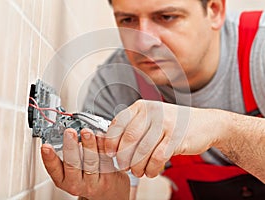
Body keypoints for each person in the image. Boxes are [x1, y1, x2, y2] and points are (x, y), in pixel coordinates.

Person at [41, 0, 265, 199]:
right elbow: (118, 191)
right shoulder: (116, 85)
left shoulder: (260, 48)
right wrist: (108, 195)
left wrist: (221, 128)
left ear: (215, 10)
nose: (143, 42)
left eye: (167, 17)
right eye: (128, 19)